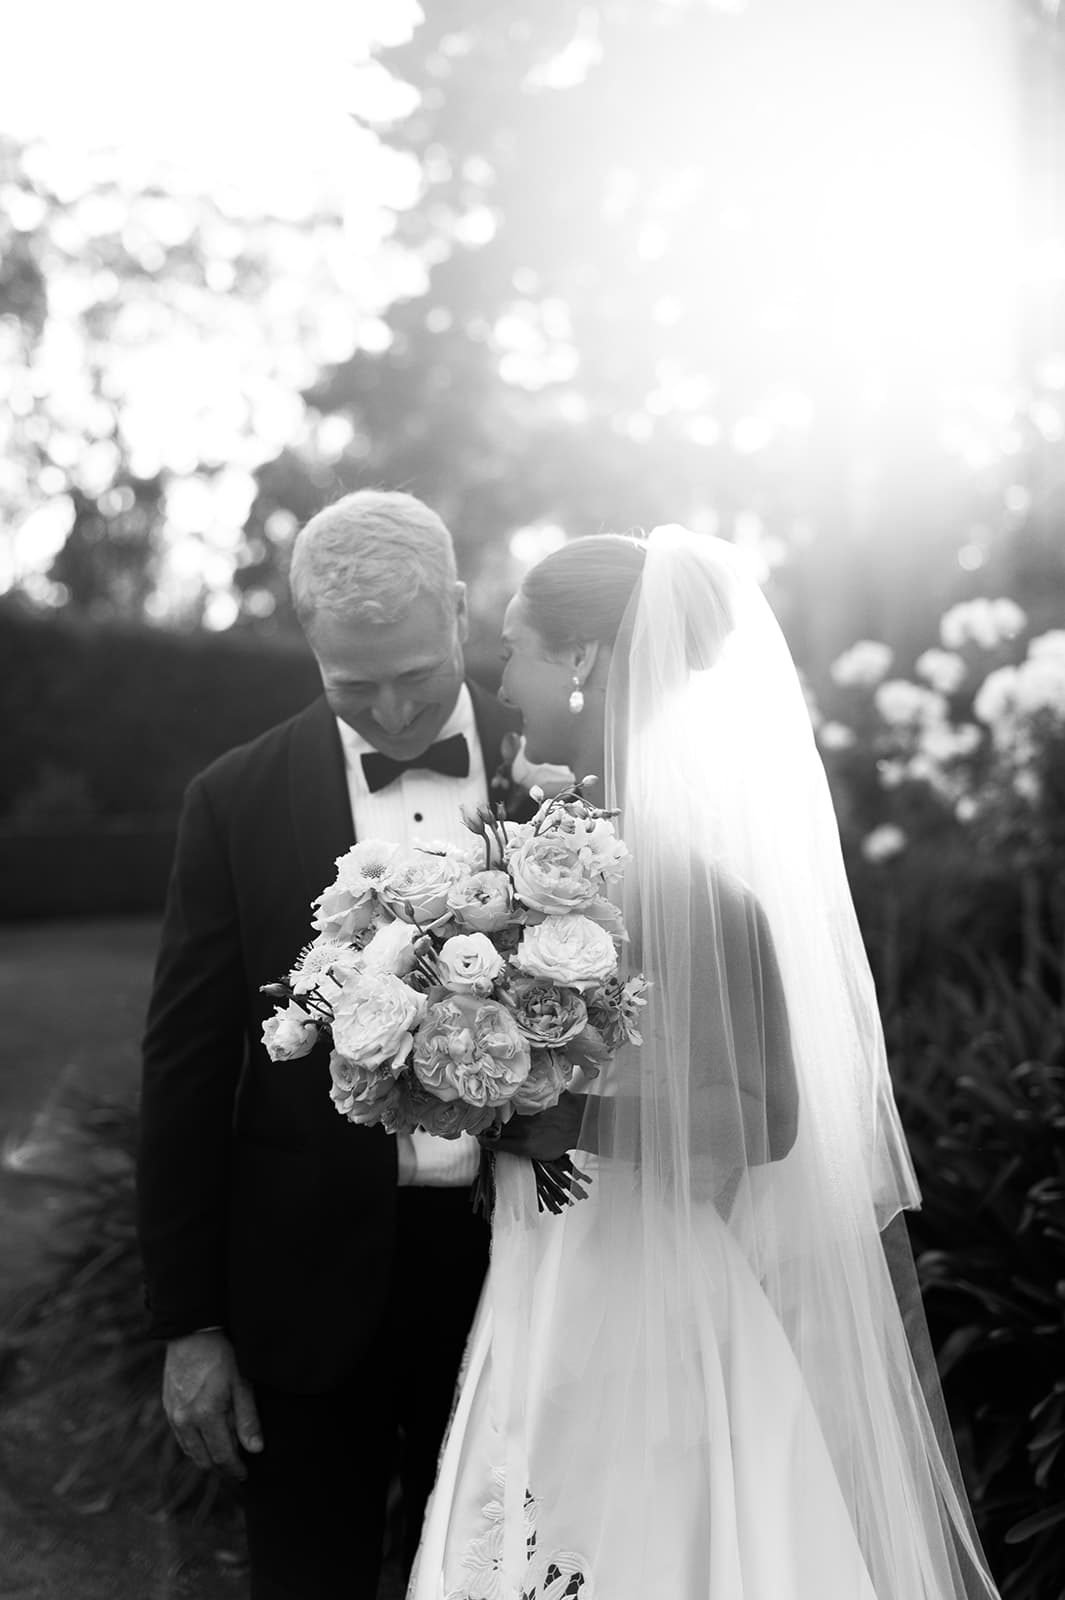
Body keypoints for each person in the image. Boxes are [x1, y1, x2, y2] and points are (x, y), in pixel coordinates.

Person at [408, 526, 1000, 1599]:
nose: (502, 682)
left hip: (650, 1302)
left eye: (517, 650)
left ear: (582, 661)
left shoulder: (693, 888)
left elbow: (763, 1117)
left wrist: (572, 1119)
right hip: (545, 1274)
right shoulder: (522, 874)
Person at [136, 490, 523, 1600]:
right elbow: (188, 1065)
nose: (397, 709)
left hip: (528, 1268)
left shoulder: (565, 763)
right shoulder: (235, 799)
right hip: (302, 1285)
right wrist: (191, 1323)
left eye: (418, 670)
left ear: (458, 607)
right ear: (309, 641)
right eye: (355, 686)